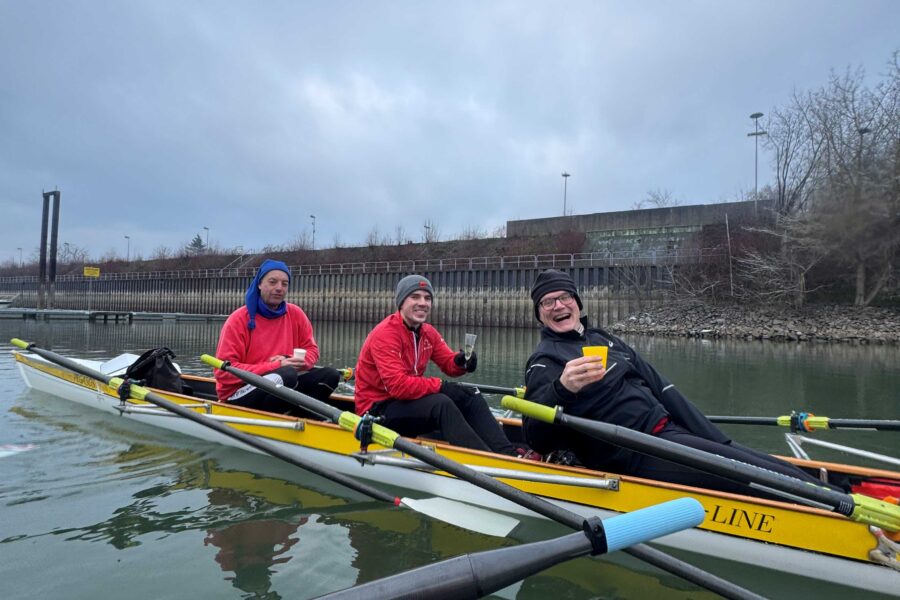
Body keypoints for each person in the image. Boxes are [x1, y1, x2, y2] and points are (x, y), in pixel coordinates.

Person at [522, 269, 844, 497]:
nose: (558, 306)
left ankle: (835, 493)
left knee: (754, 460)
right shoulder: (544, 361)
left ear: (577, 302)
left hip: (665, 431)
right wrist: (562, 389)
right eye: (547, 302)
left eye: (564, 297)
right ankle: (836, 508)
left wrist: (718, 439)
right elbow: (535, 435)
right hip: (631, 452)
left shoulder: (603, 339)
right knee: (745, 474)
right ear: (540, 314)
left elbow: (661, 386)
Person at [354, 274, 517, 455]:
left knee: (471, 396)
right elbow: (398, 386)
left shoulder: (427, 332)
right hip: (376, 409)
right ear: (401, 302)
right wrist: (441, 386)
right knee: (441, 404)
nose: (423, 303)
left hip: (405, 402)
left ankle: (508, 454)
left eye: (427, 298)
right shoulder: (385, 334)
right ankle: (483, 462)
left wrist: (461, 362)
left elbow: (448, 363)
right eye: (415, 297)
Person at [214, 258, 341, 415]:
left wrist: (294, 360)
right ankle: (279, 420)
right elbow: (223, 372)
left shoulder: (296, 314)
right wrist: (276, 366)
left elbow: (312, 350)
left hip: (281, 379)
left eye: (284, 284)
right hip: (238, 393)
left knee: (331, 375)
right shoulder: (239, 319)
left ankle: (301, 419)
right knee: (287, 374)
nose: (279, 288)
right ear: (260, 284)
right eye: (273, 282)